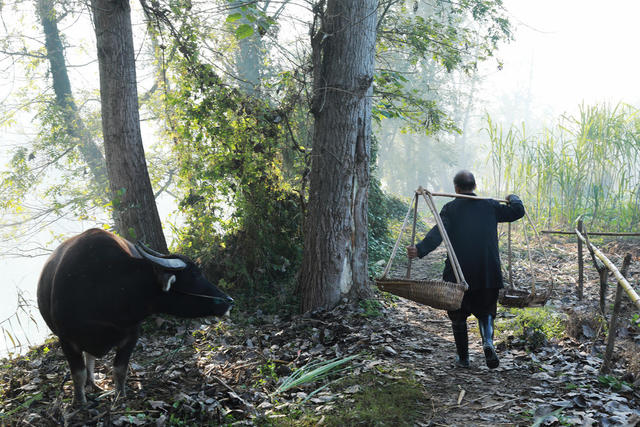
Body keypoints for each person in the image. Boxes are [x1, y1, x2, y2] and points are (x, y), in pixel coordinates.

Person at [407, 170, 524, 369]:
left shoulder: (451, 209)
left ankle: (463, 358)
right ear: (475, 187)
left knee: (457, 314)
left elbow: (438, 233)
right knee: (486, 311)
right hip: (487, 271)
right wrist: (513, 197)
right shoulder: (490, 205)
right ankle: (487, 342)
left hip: (458, 272)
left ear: (456, 188)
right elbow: (516, 211)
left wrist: (419, 249)